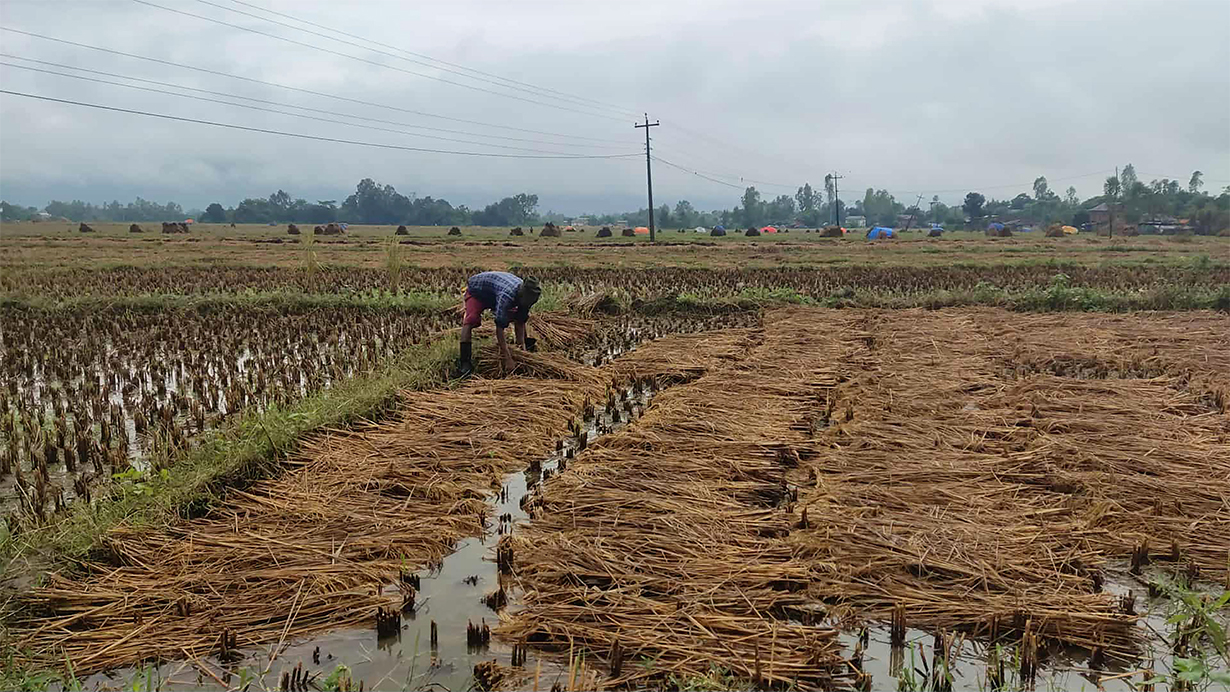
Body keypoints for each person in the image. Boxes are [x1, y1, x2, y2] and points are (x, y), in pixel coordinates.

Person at [457, 271, 541, 376]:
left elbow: (520, 322)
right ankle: (465, 363)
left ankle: (524, 347)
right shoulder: (507, 295)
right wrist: (507, 358)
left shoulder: (529, 295)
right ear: (521, 295)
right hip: (477, 291)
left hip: (494, 291)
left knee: (516, 316)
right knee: (471, 320)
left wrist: (522, 354)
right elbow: (499, 328)